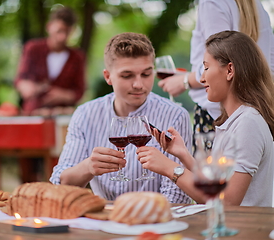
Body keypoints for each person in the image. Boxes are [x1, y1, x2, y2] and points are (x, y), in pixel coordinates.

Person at [50, 32, 192, 203]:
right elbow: (60, 184)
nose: (139, 84)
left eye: (146, 74)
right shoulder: (85, 114)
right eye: (127, 76)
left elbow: (176, 197)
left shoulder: (175, 116)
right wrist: (87, 167)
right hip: (104, 220)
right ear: (108, 76)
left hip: (155, 222)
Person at [138, 30, 274, 207]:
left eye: (206, 67)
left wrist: (170, 168)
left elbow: (226, 202)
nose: (202, 78)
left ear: (230, 70)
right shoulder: (236, 120)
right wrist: (183, 154)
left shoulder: (248, 123)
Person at [157, 0, 274, 145]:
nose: (203, 77)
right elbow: (268, 66)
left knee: (211, 167)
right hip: (255, 106)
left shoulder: (212, 2)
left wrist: (184, 81)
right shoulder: (258, 7)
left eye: (205, 69)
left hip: (214, 115)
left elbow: (219, 62)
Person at [14, 6, 85, 116]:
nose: (62, 37)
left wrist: (62, 95)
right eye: (59, 31)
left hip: (63, 117)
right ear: (49, 26)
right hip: (33, 114)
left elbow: (79, 92)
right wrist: (27, 88)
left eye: (67, 33)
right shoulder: (33, 49)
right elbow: (20, 79)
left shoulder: (77, 57)